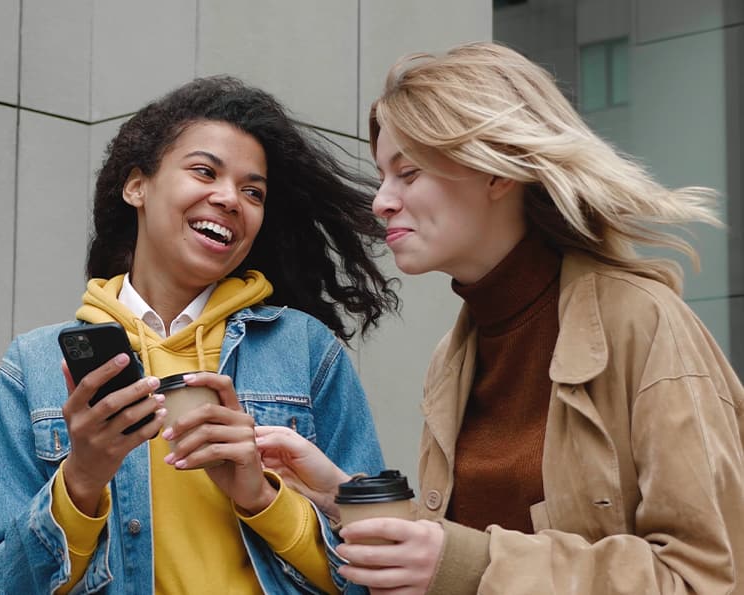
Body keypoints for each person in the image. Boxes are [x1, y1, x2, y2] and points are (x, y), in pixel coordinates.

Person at [255, 41, 744, 594]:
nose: (381, 201)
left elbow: (705, 577)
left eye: (408, 173)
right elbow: (466, 545)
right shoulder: (454, 358)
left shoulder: (643, 323)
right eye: (384, 176)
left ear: (497, 172)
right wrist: (342, 495)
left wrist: (469, 564)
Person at [0, 75, 398, 595]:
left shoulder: (307, 351)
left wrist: (262, 499)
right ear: (137, 186)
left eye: (253, 191)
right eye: (204, 171)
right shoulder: (33, 366)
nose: (230, 198)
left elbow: (381, 572)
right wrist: (81, 479)